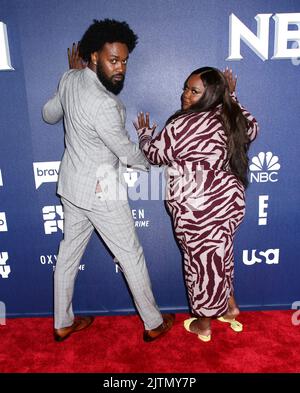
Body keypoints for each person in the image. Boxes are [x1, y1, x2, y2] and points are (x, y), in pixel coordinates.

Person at [42, 18, 174, 342]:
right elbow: (127, 151)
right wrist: (157, 167)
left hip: (73, 187)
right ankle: (154, 323)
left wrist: (69, 78)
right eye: (113, 60)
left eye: (125, 60)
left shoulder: (70, 78)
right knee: (131, 255)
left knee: (68, 255)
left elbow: (49, 114)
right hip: (103, 192)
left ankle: (62, 322)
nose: (121, 68)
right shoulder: (105, 103)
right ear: (94, 56)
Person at [134, 67, 258, 342]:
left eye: (193, 90)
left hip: (197, 207)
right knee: (219, 257)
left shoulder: (180, 126)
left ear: (211, 93)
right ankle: (229, 306)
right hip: (229, 201)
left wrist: (144, 134)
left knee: (200, 265)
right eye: (186, 88)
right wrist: (233, 97)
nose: (185, 94)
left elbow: (154, 154)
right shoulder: (230, 118)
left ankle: (203, 324)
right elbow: (252, 129)